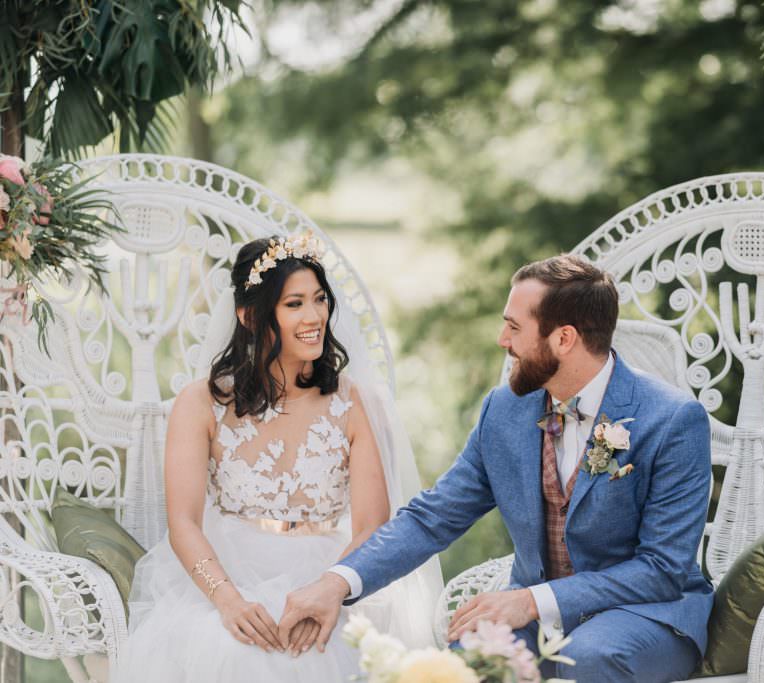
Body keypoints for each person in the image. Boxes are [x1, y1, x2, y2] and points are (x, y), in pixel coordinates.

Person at [279, 254, 714, 682]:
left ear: (563, 339)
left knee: (589, 655)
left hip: (648, 615)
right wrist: (337, 582)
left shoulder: (673, 420)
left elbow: (662, 569)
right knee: (470, 653)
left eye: (514, 327)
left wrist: (531, 601)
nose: (502, 340)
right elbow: (433, 516)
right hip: (536, 616)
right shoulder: (505, 410)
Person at [111, 232, 441, 682]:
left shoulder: (356, 403)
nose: (314, 316)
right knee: (230, 651)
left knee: (323, 654)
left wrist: (329, 592)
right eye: (294, 304)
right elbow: (183, 523)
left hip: (332, 571)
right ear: (250, 316)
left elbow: (370, 526)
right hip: (225, 574)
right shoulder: (200, 402)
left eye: (320, 300)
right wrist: (227, 601)